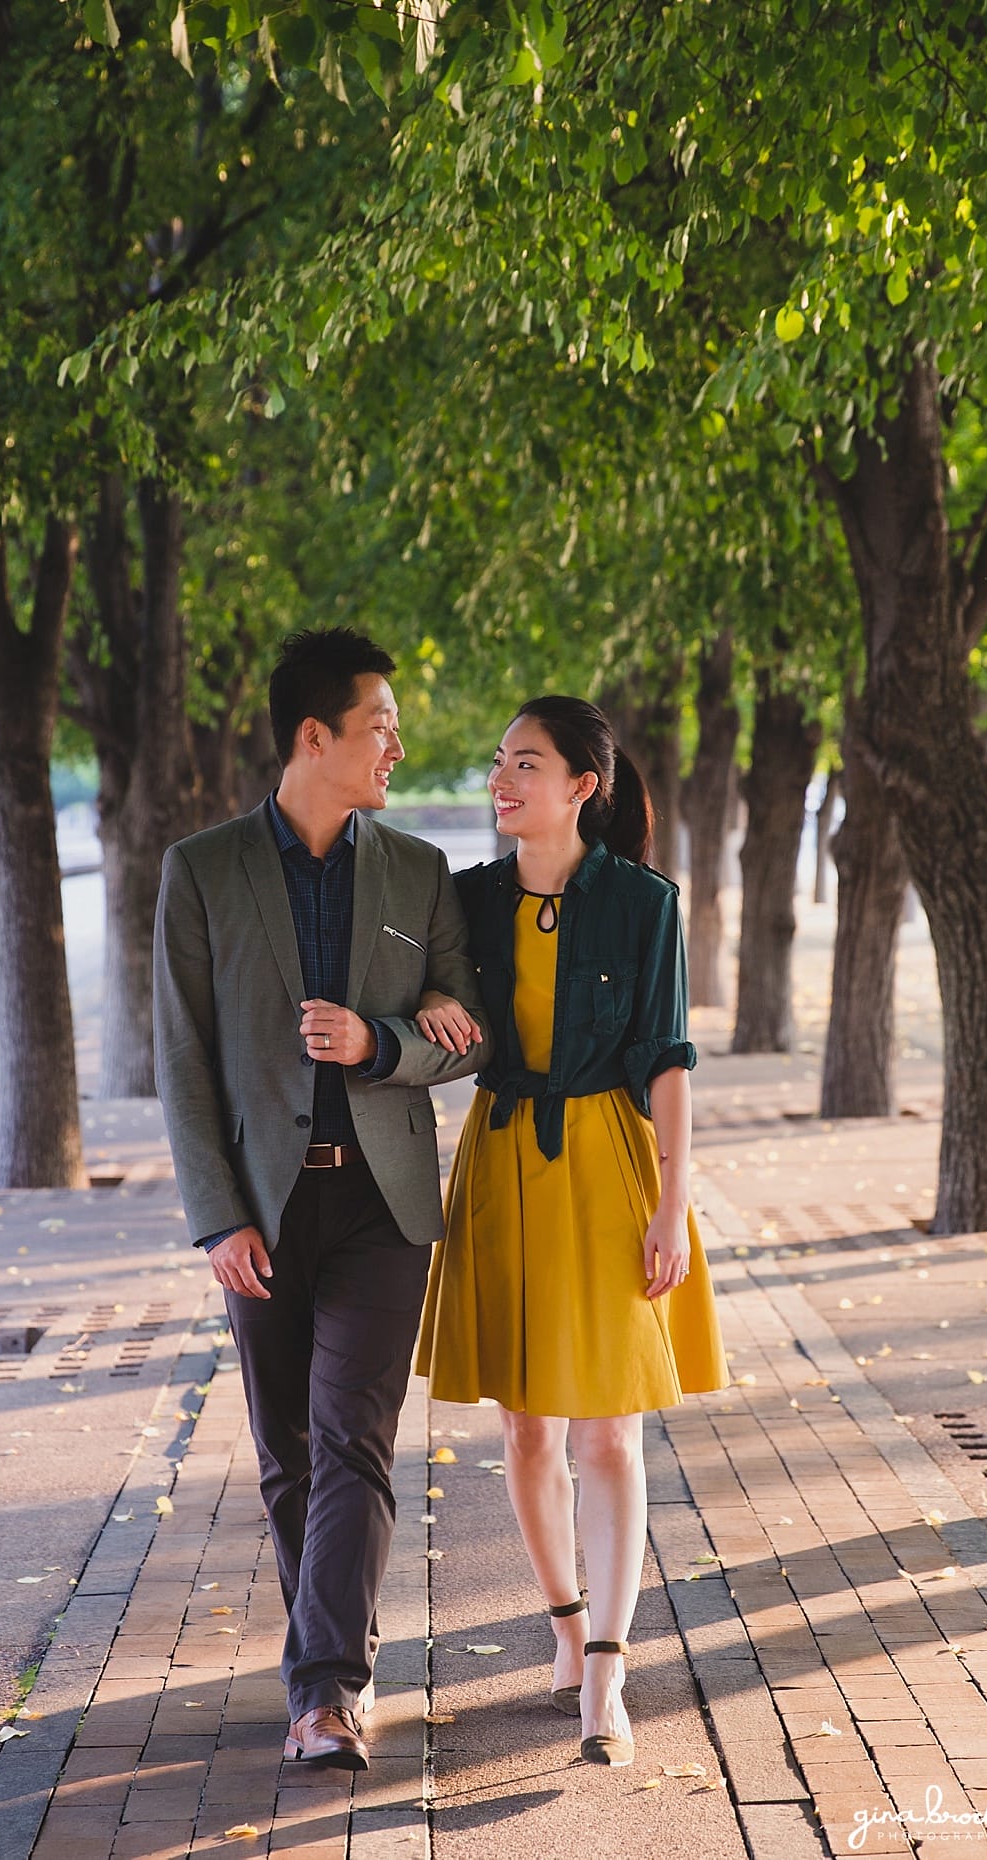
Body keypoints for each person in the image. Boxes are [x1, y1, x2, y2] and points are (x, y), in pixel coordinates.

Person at [153, 627, 490, 1774]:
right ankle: (328, 1657)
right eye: (380, 725)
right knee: (287, 1452)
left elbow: (464, 1034)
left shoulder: (417, 872)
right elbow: (183, 1057)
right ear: (315, 736)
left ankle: (327, 1689)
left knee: (355, 1441)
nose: (397, 743)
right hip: (262, 1210)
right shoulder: (199, 871)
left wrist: (380, 1041)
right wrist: (216, 1216)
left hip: (382, 1210)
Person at [414, 695, 728, 1769]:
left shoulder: (645, 905)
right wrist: (424, 1017)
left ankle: (606, 1667)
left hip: (604, 1164)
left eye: (526, 764)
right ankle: (557, 1625)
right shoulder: (461, 902)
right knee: (528, 1430)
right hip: (500, 1161)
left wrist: (669, 1207)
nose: (502, 780)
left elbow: (668, 1062)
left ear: (582, 786)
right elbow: (424, 1011)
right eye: (499, 762)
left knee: (607, 1433)